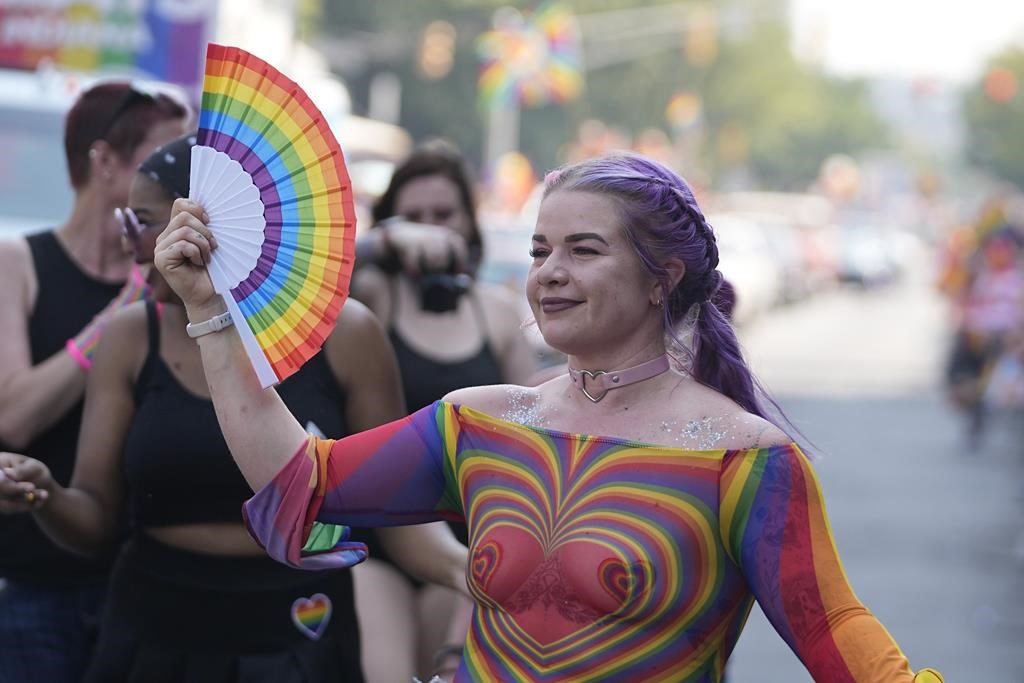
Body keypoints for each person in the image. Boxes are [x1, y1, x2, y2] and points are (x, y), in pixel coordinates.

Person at [151, 151, 943, 682]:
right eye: (537, 253)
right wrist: (211, 315)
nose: (550, 275)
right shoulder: (481, 423)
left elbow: (836, 631)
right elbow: (301, 482)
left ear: (663, 276)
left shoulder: (746, 462)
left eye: (583, 250)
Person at [0, 134, 468, 682]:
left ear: (209, 220)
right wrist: (45, 494)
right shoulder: (131, 335)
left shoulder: (345, 334)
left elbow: (395, 514)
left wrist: (474, 571)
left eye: (144, 221)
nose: (130, 243)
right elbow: (97, 519)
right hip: (154, 630)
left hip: (299, 631)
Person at [0, 81, 189, 683]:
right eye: (166, 156)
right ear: (104, 162)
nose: (184, 180)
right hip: (35, 583)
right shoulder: (18, 262)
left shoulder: (183, 283)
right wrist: (123, 312)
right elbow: (13, 415)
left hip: (146, 581)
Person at [348, 143, 536, 681]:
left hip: (465, 538)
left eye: (444, 215)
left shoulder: (496, 312)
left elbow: (532, 428)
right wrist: (386, 240)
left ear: (470, 226)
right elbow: (315, 275)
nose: (431, 229)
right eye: (414, 217)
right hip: (379, 537)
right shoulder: (372, 297)